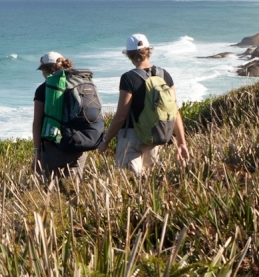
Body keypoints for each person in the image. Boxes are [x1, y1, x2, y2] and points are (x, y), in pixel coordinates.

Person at [99, 33, 189, 173]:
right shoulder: (164, 75)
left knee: (129, 184)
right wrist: (181, 143)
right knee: (149, 183)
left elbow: (121, 116)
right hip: (154, 135)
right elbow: (174, 111)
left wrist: (106, 140)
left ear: (129, 54)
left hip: (131, 137)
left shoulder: (128, 78)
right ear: (148, 51)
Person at [32, 52, 87, 179]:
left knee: (50, 190)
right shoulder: (77, 83)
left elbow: (37, 123)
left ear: (45, 70)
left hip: (54, 148)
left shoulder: (43, 89)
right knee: (74, 190)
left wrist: (37, 152)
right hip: (78, 144)